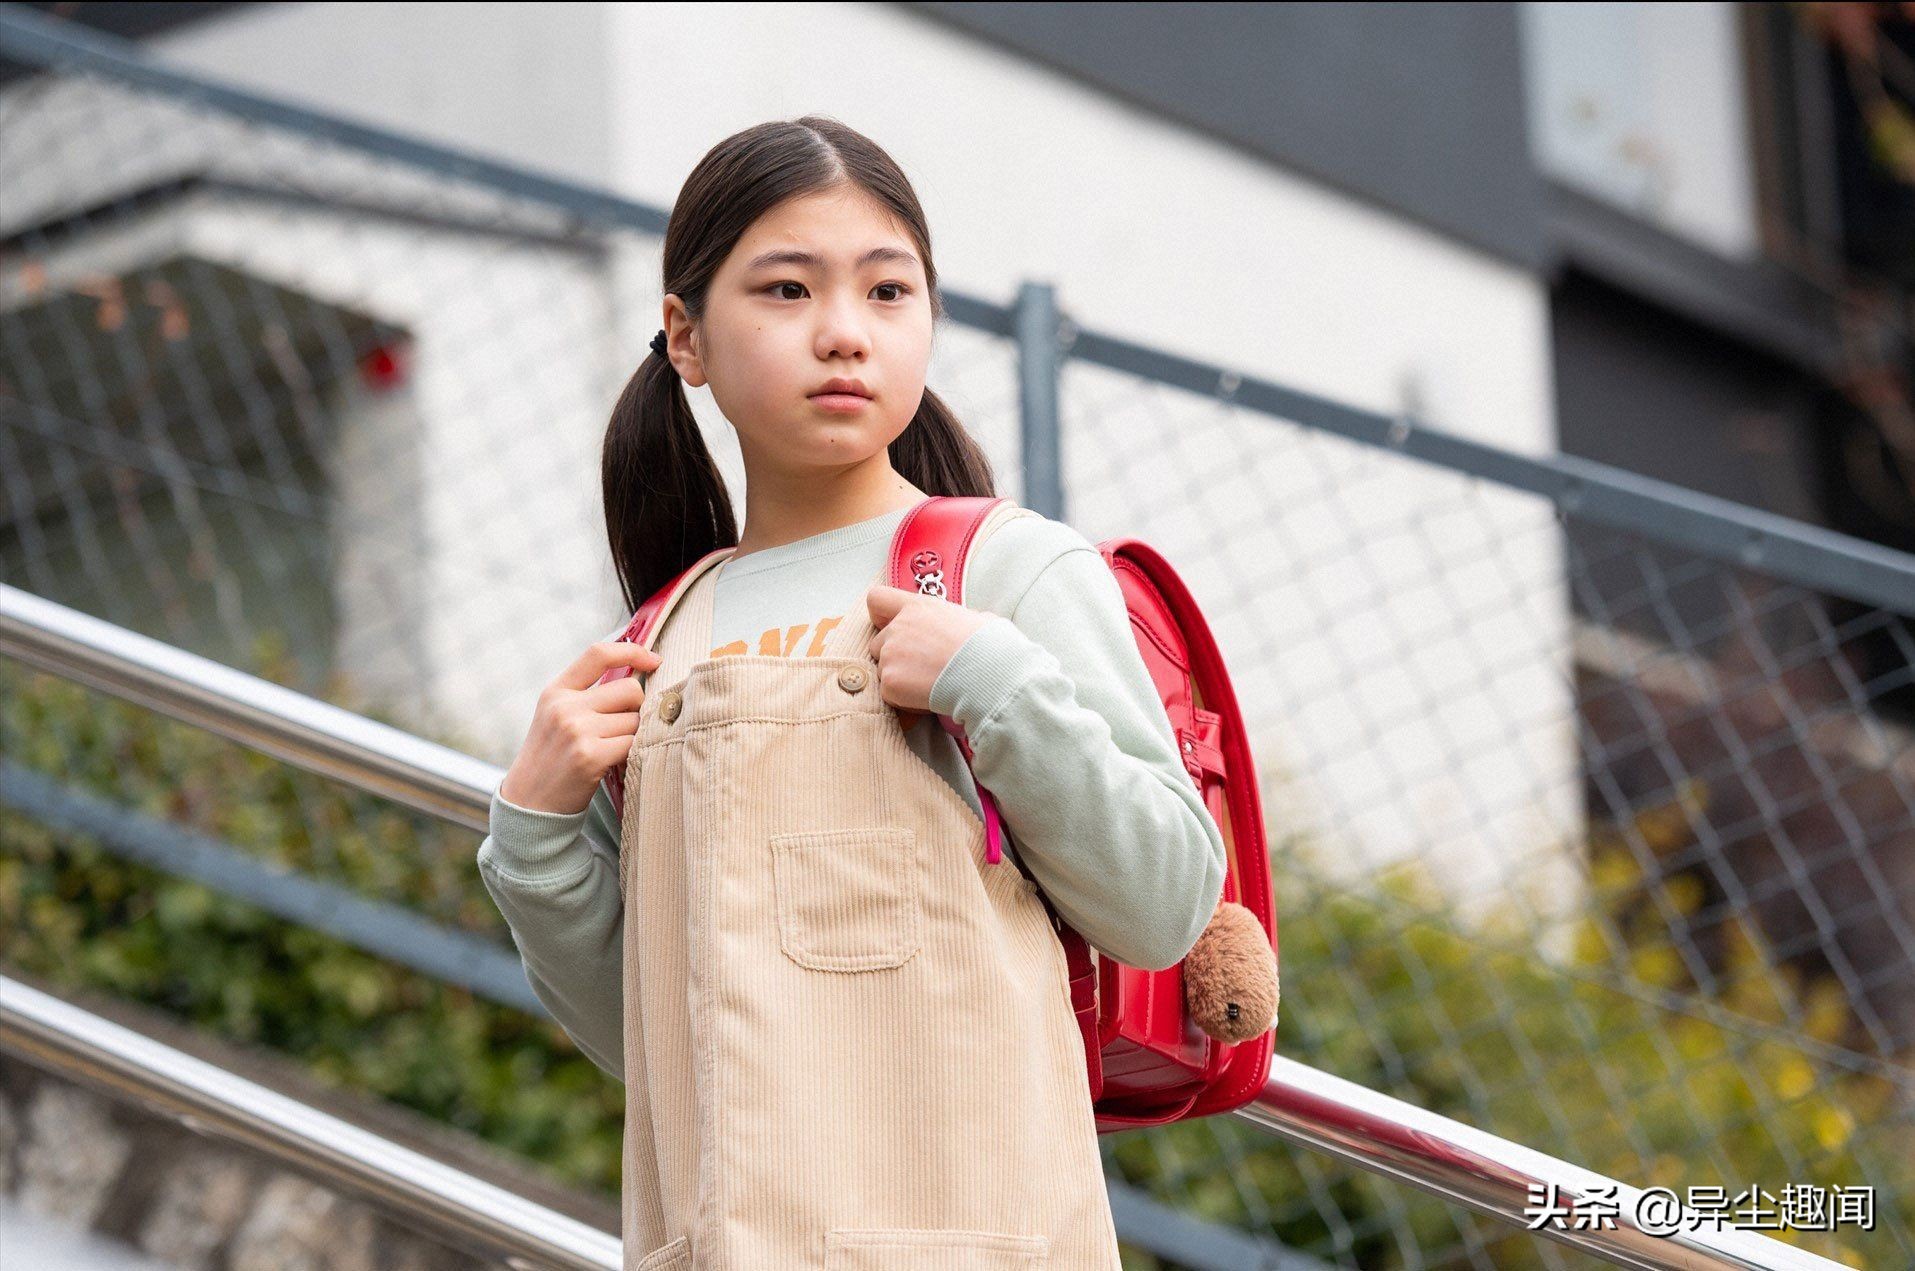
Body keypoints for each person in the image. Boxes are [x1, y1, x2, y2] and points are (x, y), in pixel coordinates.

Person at [476, 115, 1226, 1271]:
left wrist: (991, 681)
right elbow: (653, 1035)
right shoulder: (657, 643)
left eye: (888, 292)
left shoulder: (1008, 570)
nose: (843, 333)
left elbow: (1164, 902)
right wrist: (533, 830)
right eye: (785, 289)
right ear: (686, 337)